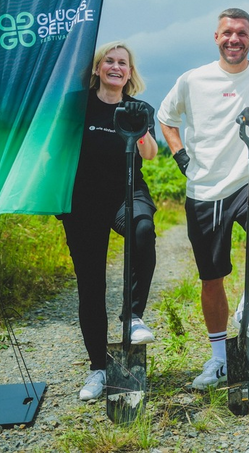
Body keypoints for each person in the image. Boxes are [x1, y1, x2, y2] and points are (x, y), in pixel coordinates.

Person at [158, 8, 249, 390]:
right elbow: (166, 118)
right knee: (211, 277)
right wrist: (180, 154)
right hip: (205, 188)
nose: (235, 39)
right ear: (216, 37)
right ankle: (218, 360)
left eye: (242, 33)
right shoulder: (192, 79)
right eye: (227, 33)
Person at [60, 41, 159, 401]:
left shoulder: (139, 107)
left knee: (143, 231)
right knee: (91, 285)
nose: (117, 67)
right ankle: (98, 369)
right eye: (110, 61)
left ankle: (132, 317)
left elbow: (151, 152)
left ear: (130, 73)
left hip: (126, 193)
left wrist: (140, 126)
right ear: (98, 67)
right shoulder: (79, 105)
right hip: (82, 201)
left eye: (123, 63)